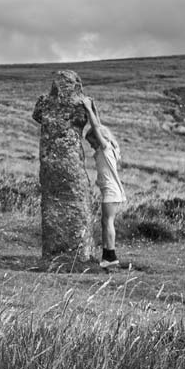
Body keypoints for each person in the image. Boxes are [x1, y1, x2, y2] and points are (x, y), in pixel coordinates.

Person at [80, 96, 126, 269]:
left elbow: (96, 129)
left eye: (91, 142)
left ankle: (111, 256)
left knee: (108, 222)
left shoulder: (105, 148)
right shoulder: (111, 148)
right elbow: (99, 126)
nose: (92, 146)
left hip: (111, 191)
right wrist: (93, 107)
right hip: (112, 191)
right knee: (105, 222)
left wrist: (89, 110)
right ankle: (107, 255)